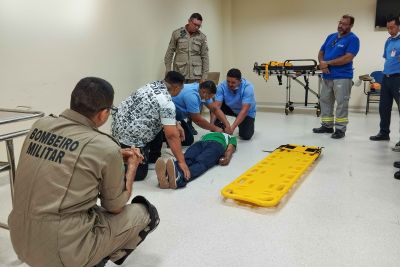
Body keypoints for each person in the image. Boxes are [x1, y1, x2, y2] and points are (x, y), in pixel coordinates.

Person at [8, 77, 159, 267]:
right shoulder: (104, 146)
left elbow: (67, 151)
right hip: (60, 254)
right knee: (146, 212)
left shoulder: (40, 125)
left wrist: (113, 155)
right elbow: (116, 206)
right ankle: (100, 255)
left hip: (19, 241)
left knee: (83, 206)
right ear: (103, 114)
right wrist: (132, 166)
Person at [111, 71, 191, 182]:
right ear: (176, 88)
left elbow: (159, 111)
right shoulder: (167, 103)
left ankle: (152, 157)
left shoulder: (151, 85)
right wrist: (181, 162)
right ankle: (111, 165)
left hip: (117, 129)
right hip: (130, 140)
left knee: (160, 123)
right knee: (140, 174)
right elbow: (172, 136)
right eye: (181, 89)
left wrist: (175, 123)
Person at [312, 14, 360, 139]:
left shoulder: (353, 39)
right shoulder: (331, 36)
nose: (340, 25)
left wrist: (327, 63)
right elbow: (321, 52)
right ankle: (327, 126)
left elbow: (348, 57)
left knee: (341, 103)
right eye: (340, 22)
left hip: (342, 76)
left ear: (350, 26)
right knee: (325, 100)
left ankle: (340, 129)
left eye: (344, 24)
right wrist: (322, 64)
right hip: (327, 75)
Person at [164, 12, 209, 135]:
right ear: (189, 21)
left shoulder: (202, 37)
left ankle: (190, 124)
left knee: (195, 100)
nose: (197, 27)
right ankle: (177, 123)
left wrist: (204, 76)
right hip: (180, 74)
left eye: (199, 26)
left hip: (196, 74)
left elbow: (205, 57)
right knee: (175, 100)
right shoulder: (177, 33)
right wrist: (169, 73)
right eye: (195, 24)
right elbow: (169, 54)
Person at [154, 132, 237, 189]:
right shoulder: (209, 133)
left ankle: (179, 179)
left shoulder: (230, 137)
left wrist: (227, 158)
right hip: (200, 143)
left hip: (217, 145)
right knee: (186, 158)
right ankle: (167, 175)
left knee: (201, 161)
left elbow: (230, 149)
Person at [370, 16, 400, 146]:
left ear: (398, 26)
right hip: (386, 78)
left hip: (398, 79)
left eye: (392, 27)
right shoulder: (388, 41)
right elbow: (387, 58)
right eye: (388, 28)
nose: (389, 30)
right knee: (384, 108)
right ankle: (384, 133)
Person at [172, 80, 232, 146]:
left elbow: (215, 109)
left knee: (188, 139)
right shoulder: (192, 96)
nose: (209, 99)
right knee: (186, 140)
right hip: (168, 116)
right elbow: (197, 120)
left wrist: (227, 124)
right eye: (209, 97)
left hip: (177, 116)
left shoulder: (203, 90)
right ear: (204, 92)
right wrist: (215, 128)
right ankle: (164, 132)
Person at [212, 68, 256, 140]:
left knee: (246, 136)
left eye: (233, 82)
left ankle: (239, 124)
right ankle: (220, 127)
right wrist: (212, 126)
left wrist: (232, 128)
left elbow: (244, 110)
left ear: (240, 81)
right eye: (228, 81)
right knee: (213, 106)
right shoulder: (222, 86)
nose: (230, 84)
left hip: (246, 112)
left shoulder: (248, 87)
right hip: (231, 108)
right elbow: (216, 107)